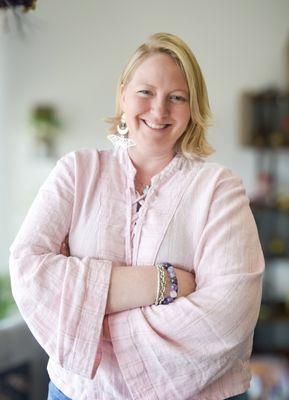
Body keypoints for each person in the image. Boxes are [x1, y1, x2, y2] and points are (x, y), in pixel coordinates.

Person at [9, 32, 264, 400]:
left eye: (177, 98)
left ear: (192, 108)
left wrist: (88, 319)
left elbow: (228, 316)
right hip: (79, 391)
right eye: (146, 92)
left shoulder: (219, 188)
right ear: (123, 94)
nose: (159, 110)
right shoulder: (77, 171)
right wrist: (166, 282)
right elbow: (28, 270)